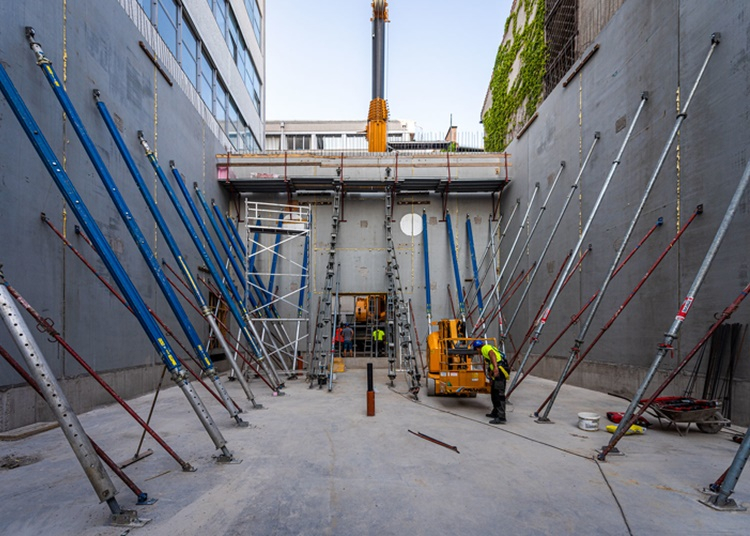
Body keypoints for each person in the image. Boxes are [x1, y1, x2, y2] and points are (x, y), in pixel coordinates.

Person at [473, 340, 510, 424]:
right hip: (497, 372)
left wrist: (496, 368)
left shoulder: (485, 348)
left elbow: (492, 354)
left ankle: (501, 417)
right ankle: (495, 412)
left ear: (477, 348)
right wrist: (490, 375)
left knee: (499, 394)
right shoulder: (487, 349)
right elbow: (491, 364)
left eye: (476, 350)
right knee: (494, 393)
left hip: (499, 371)